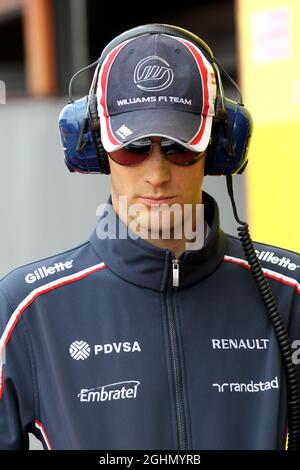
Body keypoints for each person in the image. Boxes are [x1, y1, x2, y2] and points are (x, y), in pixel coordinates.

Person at [0, 23, 299, 451]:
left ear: (220, 149)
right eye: (133, 147)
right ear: (94, 149)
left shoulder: (290, 295)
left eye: (180, 148)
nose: (157, 175)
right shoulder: (25, 310)